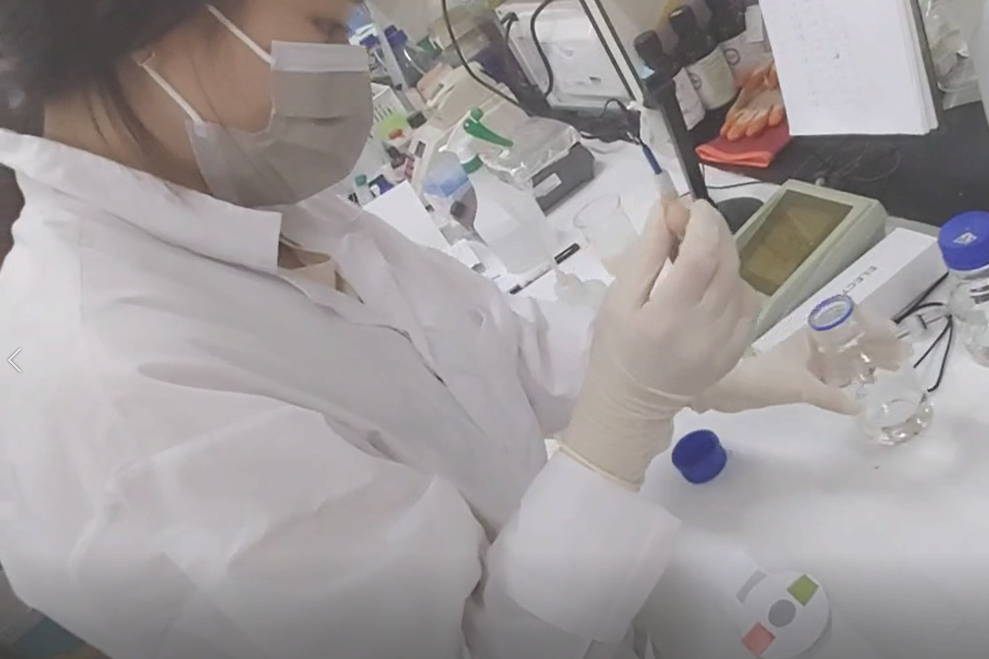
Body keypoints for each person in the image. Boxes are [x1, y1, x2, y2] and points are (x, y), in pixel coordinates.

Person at [0, 1, 903, 658]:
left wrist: (720, 370)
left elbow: (494, 347)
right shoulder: (117, 387)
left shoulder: (247, 194)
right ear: (144, 26)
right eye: (322, 28)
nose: (347, 70)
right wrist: (620, 421)